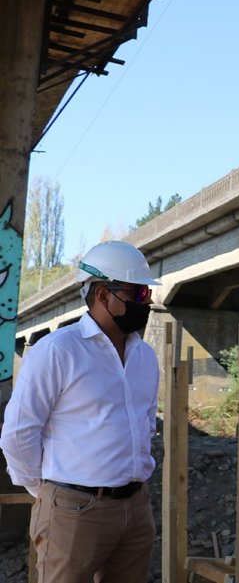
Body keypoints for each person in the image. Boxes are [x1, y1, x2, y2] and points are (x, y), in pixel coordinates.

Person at [0, 240, 162, 583]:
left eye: (147, 294)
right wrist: (48, 492)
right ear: (103, 295)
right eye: (138, 294)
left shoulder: (145, 357)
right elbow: (18, 433)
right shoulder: (57, 351)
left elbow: (146, 425)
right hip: (73, 510)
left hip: (135, 509)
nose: (145, 302)